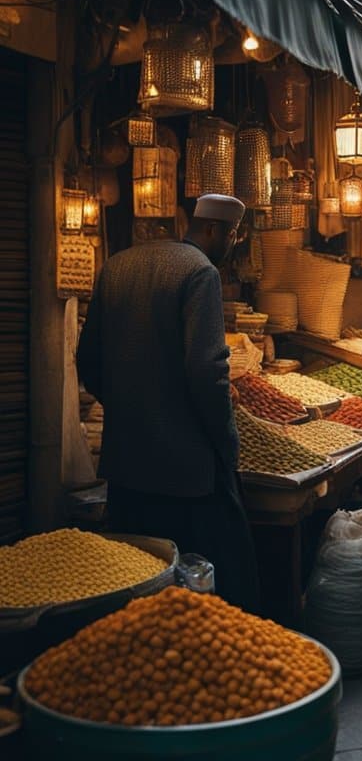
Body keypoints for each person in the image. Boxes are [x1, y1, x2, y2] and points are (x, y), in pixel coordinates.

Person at [77, 194, 260, 611]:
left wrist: (127, 406)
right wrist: (227, 444)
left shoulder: (116, 266)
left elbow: (88, 359)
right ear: (213, 229)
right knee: (197, 589)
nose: (232, 245)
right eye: (232, 235)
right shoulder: (200, 271)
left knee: (137, 584)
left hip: (126, 466)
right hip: (184, 472)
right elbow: (207, 371)